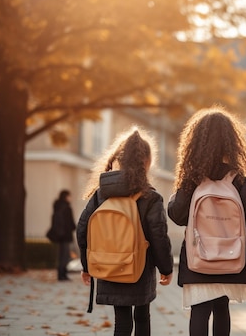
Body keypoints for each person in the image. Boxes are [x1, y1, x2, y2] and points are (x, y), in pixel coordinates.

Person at [167, 107, 246, 336]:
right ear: (232, 142)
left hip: (199, 255)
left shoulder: (192, 177)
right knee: (222, 309)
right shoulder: (237, 177)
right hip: (230, 254)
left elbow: (177, 215)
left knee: (199, 311)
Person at [76, 127, 174, 336]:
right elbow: (158, 235)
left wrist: (87, 265)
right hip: (138, 268)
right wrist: (166, 268)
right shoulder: (150, 197)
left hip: (108, 265)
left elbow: (83, 228)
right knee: (142, 317)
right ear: (147, 162)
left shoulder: (102, 193)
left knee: (121, 321)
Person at [50, 189, 76, 281]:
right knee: (65, 256)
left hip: (59, 235)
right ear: (66, 196)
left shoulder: (57, 206)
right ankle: (63, 275)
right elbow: (70, 223)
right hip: (66, 235)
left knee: (61, 255)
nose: (70, 198)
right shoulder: (67, 208)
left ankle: (60, 274)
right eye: (69, 196)